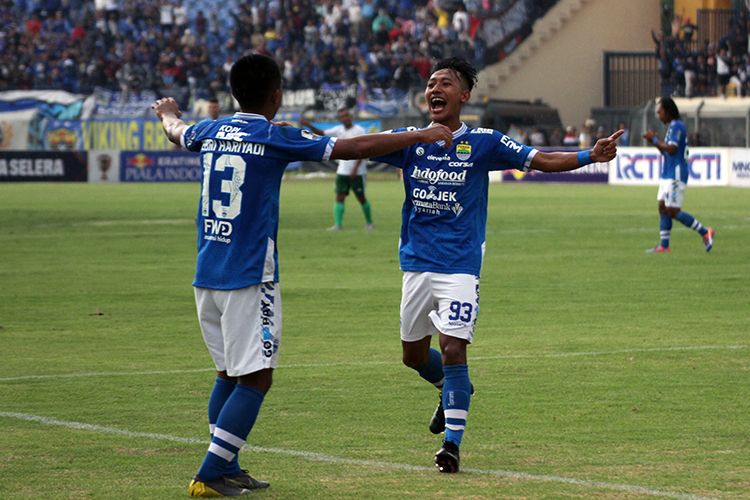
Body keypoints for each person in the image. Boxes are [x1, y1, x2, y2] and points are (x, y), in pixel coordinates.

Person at [151, 53, 453, 498]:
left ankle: (227, 464)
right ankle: (211, 472)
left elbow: (176, 131)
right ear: (276, 95)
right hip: (250, 277)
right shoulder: (275, 136)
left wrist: (168, 112)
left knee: (228, 375)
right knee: (257, 377)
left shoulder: (209, 131)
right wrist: (422, 134)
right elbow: (352, 149)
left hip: (206, 273)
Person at [372, 57, 623, 474]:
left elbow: (539, 159)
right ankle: (452, 389)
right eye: (431, 83)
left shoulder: (485, 142)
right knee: (414, 357)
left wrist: (588, 155)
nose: (435, 89)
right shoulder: (411, 140)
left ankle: (451, 447)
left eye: (446, 83)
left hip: (460, 266)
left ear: (464, 96)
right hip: (415, 265)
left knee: (453, 348)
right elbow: (362, 145)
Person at [643, 96, 714, 253]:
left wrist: (654, 139)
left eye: (659, 111)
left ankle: (705, 232)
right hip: (667, 172)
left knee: (673, 210)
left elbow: (672, 149)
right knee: (662, 207)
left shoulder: (677, 126)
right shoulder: (672, 127)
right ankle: (664, 245)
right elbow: (665, 150)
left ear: (668, 111)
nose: (658, 115)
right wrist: (653, 141)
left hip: (675, 173)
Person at [300, 108, 374, 231]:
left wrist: (355, 169)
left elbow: (363, 150)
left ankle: (369, 223)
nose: (345, 118)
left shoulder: (359, 130)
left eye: (346, 115)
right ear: (340, 119)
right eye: (342, 117)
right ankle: (338, 225)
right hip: (342, 170)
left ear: (350, 116)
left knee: (361, 197)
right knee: (339, 196)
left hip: (358, 172)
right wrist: (308, 125)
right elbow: (321, 133)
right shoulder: (338, 130)